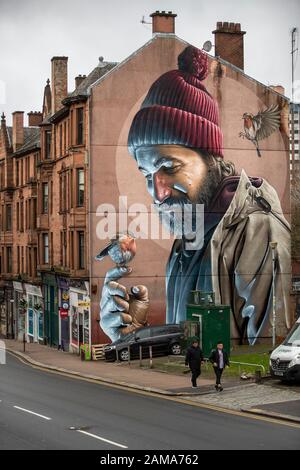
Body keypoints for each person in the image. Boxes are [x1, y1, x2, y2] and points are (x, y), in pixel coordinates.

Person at [99, 45, 291, 345]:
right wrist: (133, 336)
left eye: (169, 167)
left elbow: (272, 358)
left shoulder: (258, 230)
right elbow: (189, 348)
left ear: (210, 158)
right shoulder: (189, 238)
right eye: (147, 175)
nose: (158, 193)